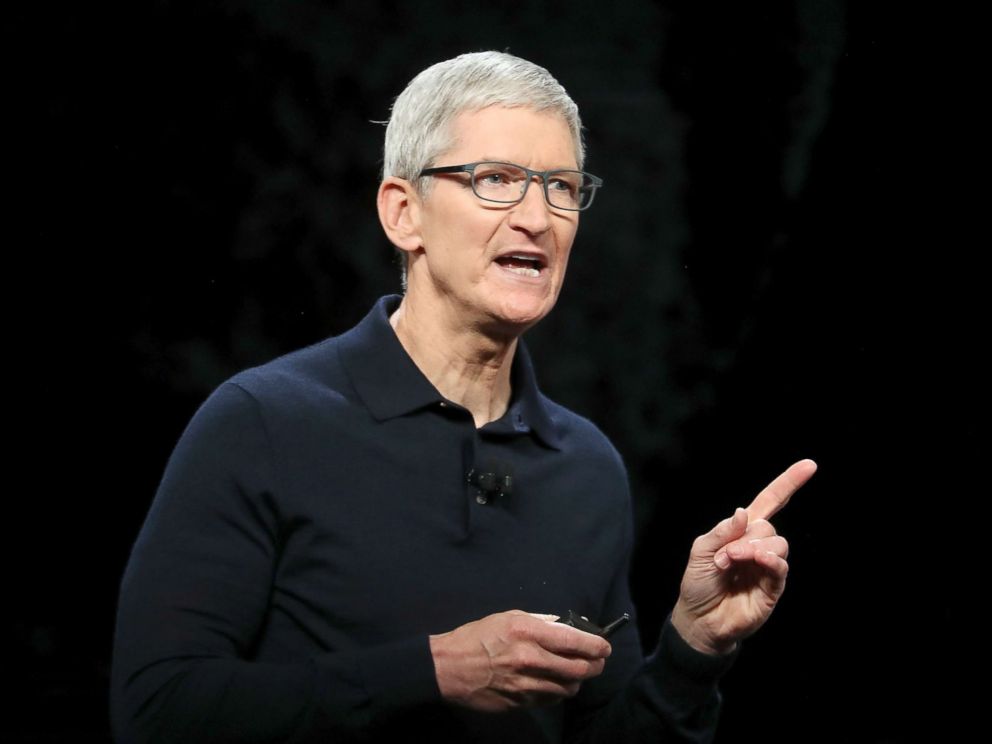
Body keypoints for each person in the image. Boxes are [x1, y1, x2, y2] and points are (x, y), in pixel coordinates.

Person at [111, 51, 816, 743]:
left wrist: (694, 649)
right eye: (497, 180)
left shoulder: (586, 467)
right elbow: (157, 708)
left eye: (563, 187)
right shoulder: (263, 422)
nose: (537, 217)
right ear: (403, 213)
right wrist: (433, 672)